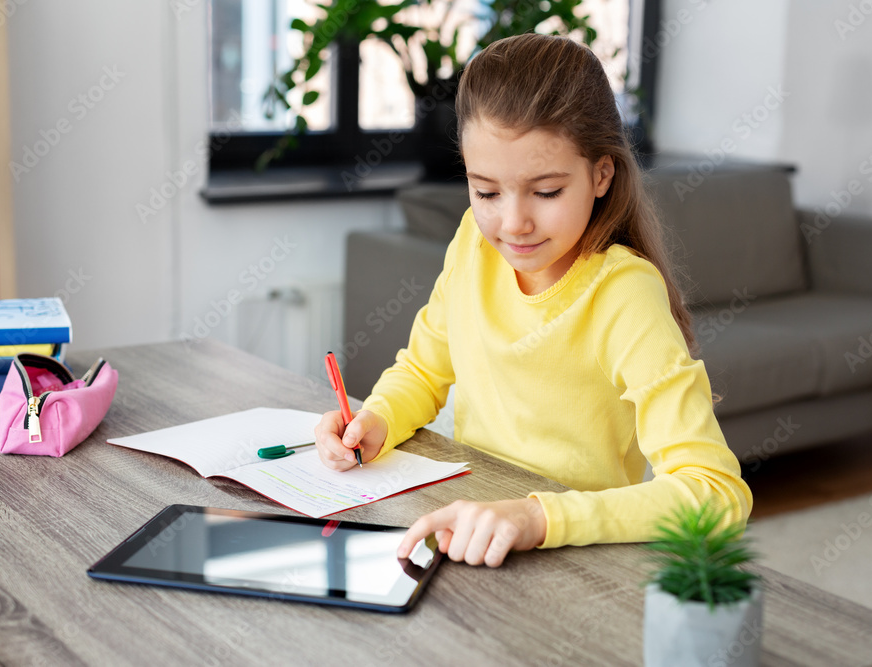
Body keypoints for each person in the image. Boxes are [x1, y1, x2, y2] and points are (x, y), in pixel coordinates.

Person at [314, 33, 752, 567]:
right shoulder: (473, 243)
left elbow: (716, 492)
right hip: (470, 531)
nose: (513, 223)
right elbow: (424, 372)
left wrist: (539, 517)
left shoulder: (624, 294)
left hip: (573, 554)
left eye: (546, 192)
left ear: (600, 175)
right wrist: (374, 421)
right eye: (486, 192)